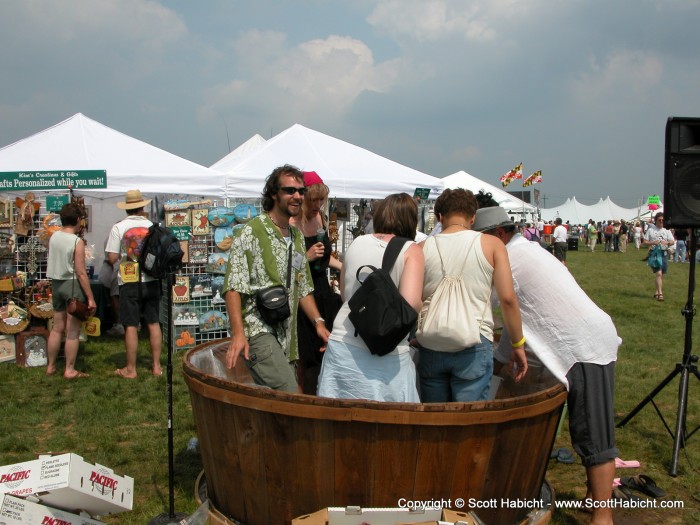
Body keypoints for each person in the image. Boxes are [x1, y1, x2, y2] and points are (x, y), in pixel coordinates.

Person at [473, 205, 621, 525]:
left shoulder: (512, 259)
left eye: (480, 242)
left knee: (593, 435)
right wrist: (499, 360)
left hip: (584, 347)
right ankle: (593, 497)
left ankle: (603, 516)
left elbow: (484, 305)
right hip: (583, 340)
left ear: (498, 234)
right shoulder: (525, 251)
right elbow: (517, 320)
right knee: (587, 429)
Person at [223, 165, 330, 393]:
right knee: (290, 395)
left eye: (301, 191)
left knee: (278, 408)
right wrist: (239, 334)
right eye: (289, 190)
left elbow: (302, 286)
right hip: (258, 330)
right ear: (274, 193)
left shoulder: (297, 238)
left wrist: (319, 323)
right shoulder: (252, 232)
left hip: (287, 337)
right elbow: (233, 286)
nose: (297, 196)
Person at [417, 190, 527, 402]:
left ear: (440, 216)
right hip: (474, 342)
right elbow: (507, 299)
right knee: (469, 421)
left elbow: (415, 298)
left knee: (435, 419)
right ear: (473, 217)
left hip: (431, 342)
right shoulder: (492, 244)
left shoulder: (422, 247)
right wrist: (517, 344)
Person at [317, 193, 425, 402]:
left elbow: (347, 293)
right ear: (411, 220)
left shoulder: (358, 242)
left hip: (343, 342)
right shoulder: (412, 250)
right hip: (384, 352)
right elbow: (410, 303)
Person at [289, 170, 342, 394]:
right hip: (302, 294)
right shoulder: (291, 223)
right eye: (314, 200)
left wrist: (343, 266)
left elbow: (325, 256)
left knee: (324, 355)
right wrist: (306, 257)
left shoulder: (320, 218)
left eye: (321, 200)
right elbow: (285, 264)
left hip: (322, 291)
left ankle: (322, 397)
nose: (318, 205)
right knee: (303, 359)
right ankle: (300, 403)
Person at [106, 190, 162, 378]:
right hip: (152, 279)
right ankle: (156, 367)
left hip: (129, 280)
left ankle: (131, 369)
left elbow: (112, 257)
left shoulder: (118, 227)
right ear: (142, 206)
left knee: (131, 324)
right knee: (153, 323)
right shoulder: (152, 225)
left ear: (127, 208)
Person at [46, 203, 96, 379]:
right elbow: (82, 273)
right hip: (71, 284)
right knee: (72, 331)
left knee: (56, 328)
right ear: (77, 220)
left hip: (56, 283)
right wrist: (90, 298)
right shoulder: (76, 241)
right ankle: (69, 369)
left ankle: (51, 366)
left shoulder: (53, 237)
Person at [643, 212, 675, 302]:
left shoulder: (667, 230)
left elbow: (672, 241)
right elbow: (645, 242)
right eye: (659, 220)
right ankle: (660, 294)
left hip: (664, 254)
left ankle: (657, 291)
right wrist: (652, 243)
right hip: (654, 254)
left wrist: (667, 243)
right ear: (655, 220)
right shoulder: (651, 230)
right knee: (659, 273)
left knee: (661, 275)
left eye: (662, 220)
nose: (661, 221)